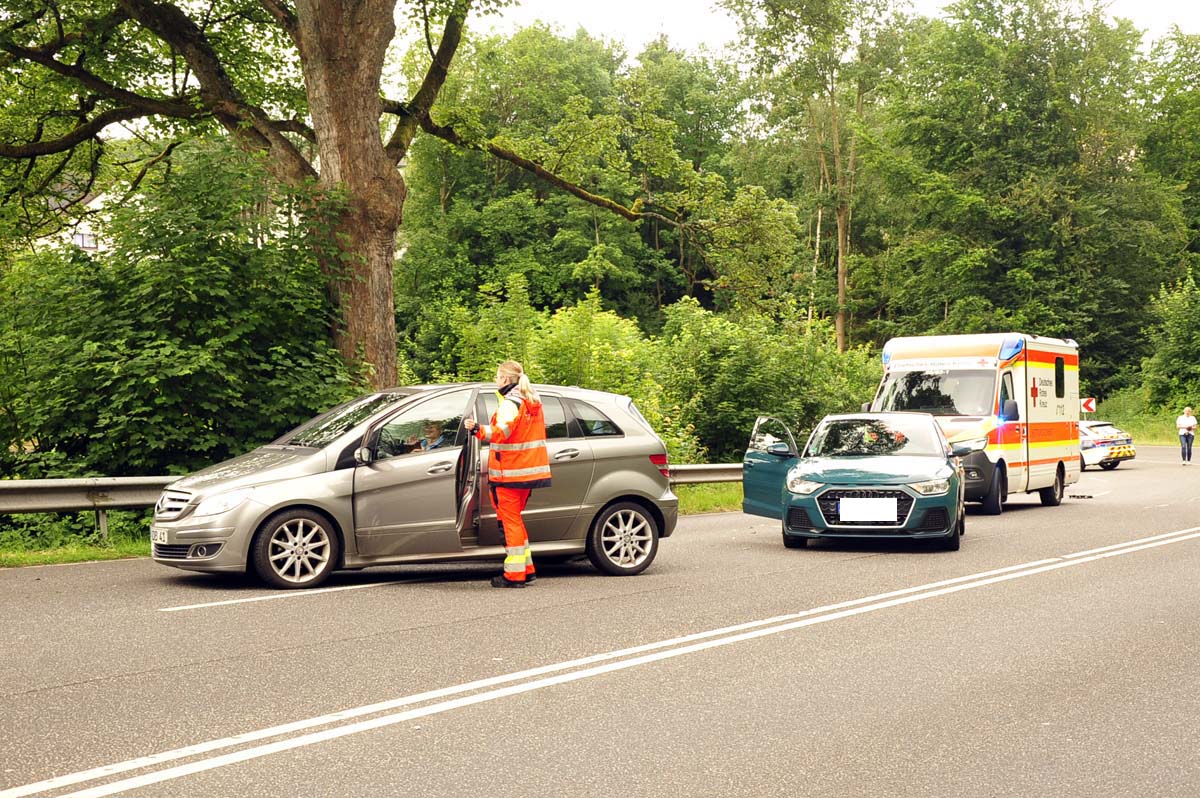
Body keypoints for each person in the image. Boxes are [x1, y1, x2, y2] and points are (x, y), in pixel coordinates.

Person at [464, 361, 551, 588]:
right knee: (515, 520)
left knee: (510, 521)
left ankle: (514, 575)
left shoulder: (510, 403)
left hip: (509, 473)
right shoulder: (530, 400)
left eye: (497, 377)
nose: (495, 380)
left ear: (504, 379)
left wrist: (476, 429)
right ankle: (527, 569)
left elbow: (501, 433)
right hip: (526, 472)